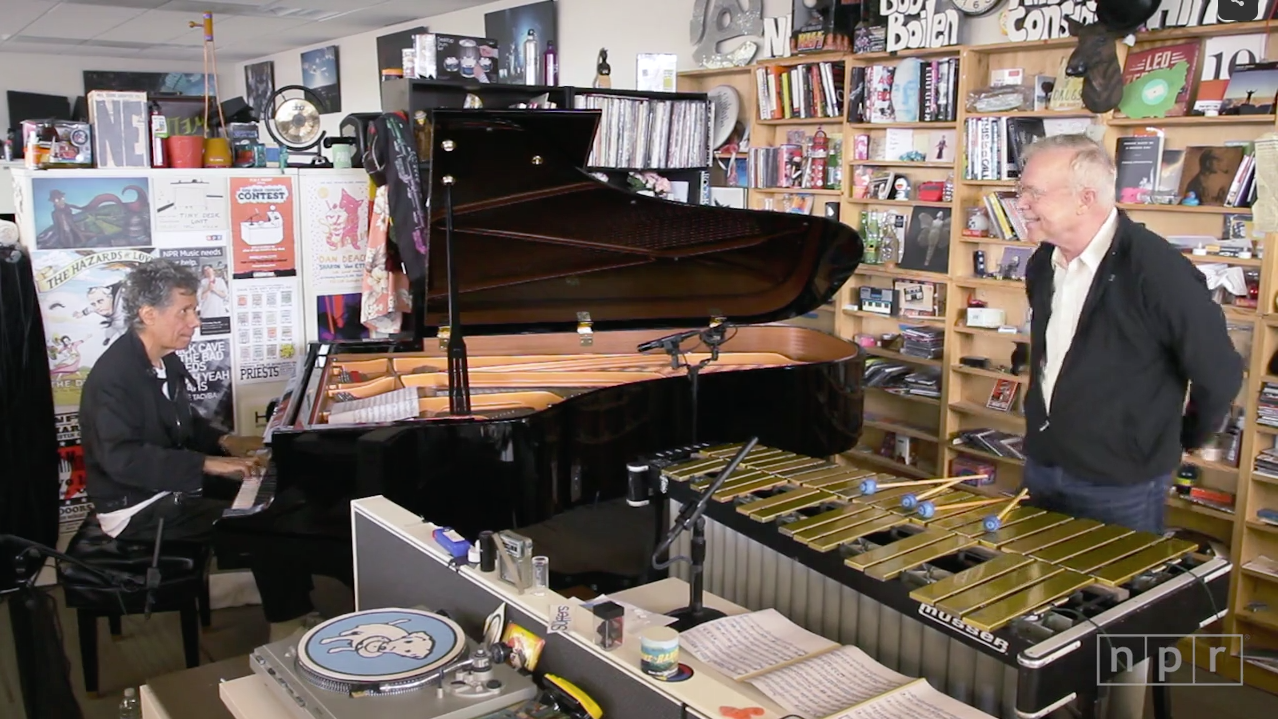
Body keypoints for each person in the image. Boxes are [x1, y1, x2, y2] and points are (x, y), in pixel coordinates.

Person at [1015, 134, 1244, 535]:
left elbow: (1219, 372)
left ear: (1085, 199)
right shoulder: (1042, 262)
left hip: (1121, 482)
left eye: (1033, 192)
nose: (1021, 203)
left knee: (1112, 597)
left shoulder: (1157, 270)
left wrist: (1180, 438)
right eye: (1021, 191)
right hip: (1044, 464)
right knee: (1038, 590)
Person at [79, 259, 319, 640]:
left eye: (194, 310)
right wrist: (211, 465)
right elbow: (124, 460)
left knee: (275, 497)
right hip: (136, 506)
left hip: (168, 484)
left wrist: (227, 442)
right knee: (258, 522)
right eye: (185, 312)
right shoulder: (114, 378)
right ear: (148, 314)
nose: (195, 321)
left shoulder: (162, 361)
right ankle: (288, 625)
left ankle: (293, 604)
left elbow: (183, 425)